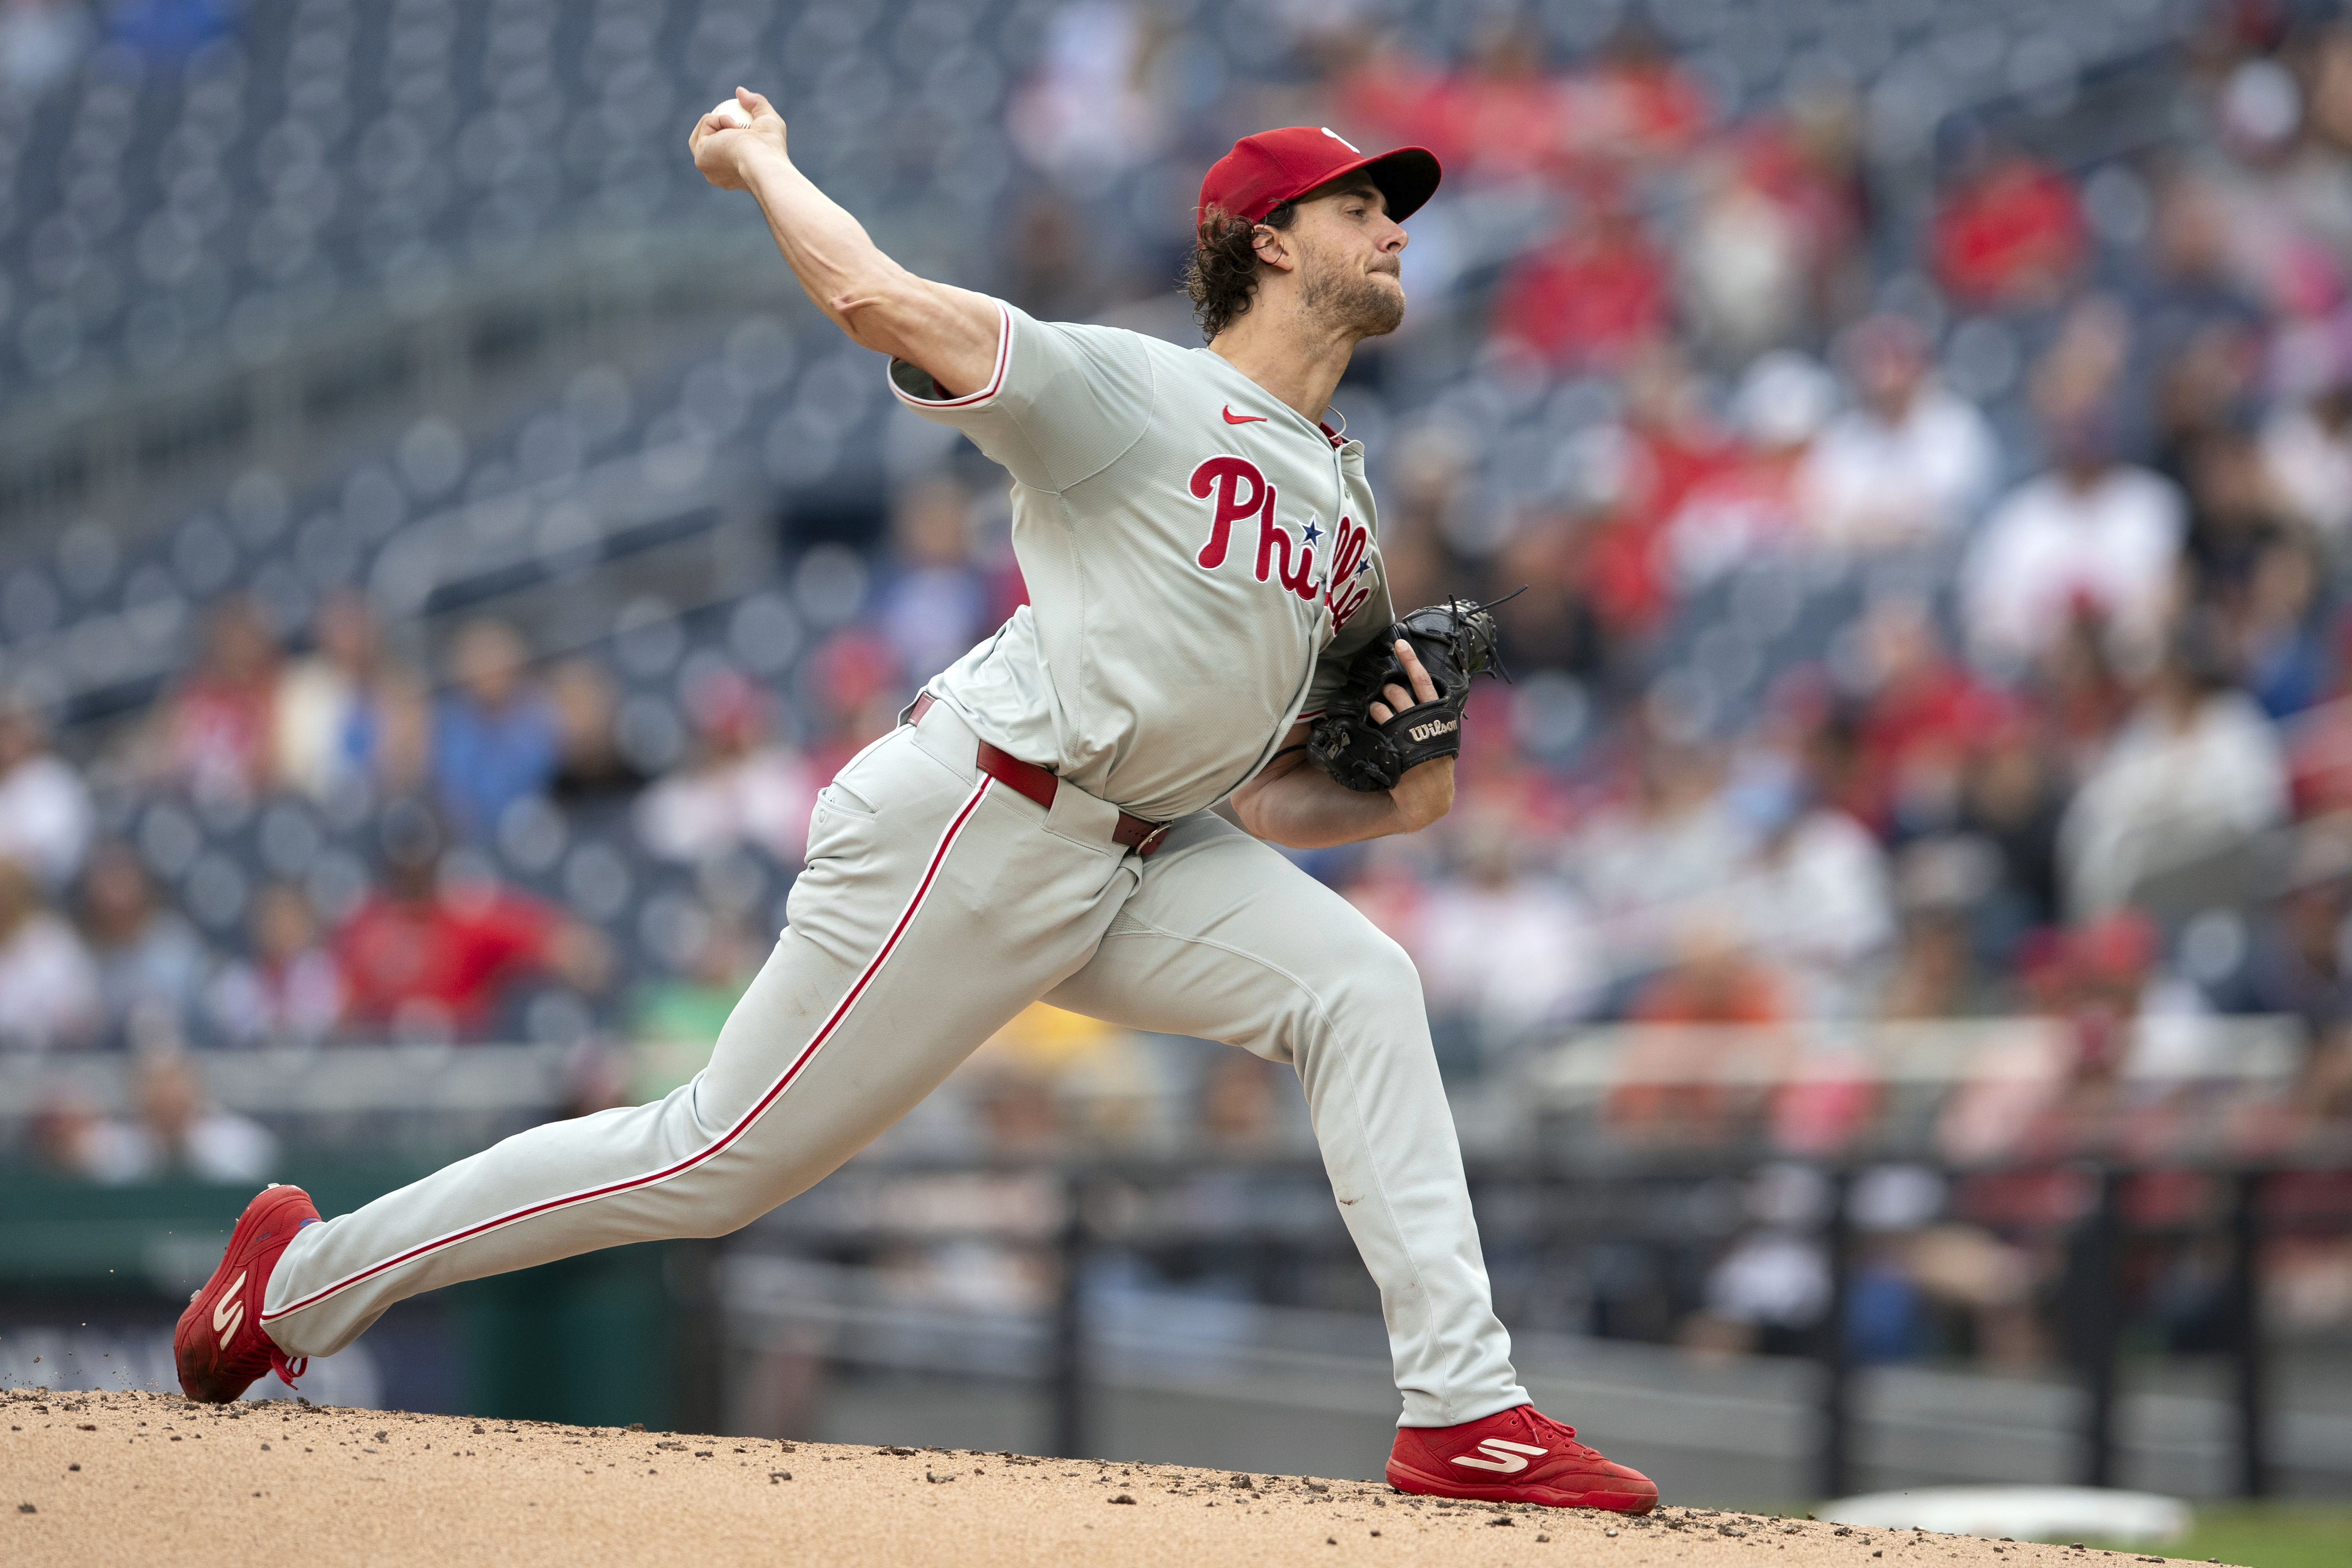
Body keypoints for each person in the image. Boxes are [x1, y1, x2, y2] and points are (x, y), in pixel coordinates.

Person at [173, 101, 1657, 1515]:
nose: (1394, 227)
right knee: (706, 1165)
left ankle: (1467, 1415)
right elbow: (874, 298)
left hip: (1149, 847)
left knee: (1361, 983)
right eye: (1360, 205)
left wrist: (1411, 789)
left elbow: (1274, 800)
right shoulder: (1134, 392)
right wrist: (762, 159)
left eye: (1392, 207)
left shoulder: (1347, 506)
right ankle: (294, 1283)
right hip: (984, 816)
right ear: (1270, 238)